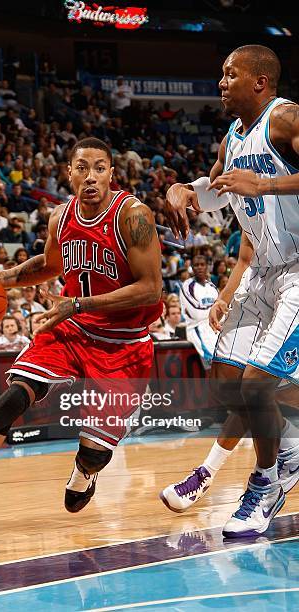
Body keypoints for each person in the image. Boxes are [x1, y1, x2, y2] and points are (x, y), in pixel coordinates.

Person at [0, 136, 162, 536]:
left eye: (99, 168)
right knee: (17, 393)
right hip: (71, 328)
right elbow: (51, 264)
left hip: (125, 344)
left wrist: (76, 304)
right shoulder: (62, 216)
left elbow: (151, 288)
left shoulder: (133, 215)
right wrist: (1, 280)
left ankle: (83, 472)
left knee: (94, 455)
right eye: (81, 167)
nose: (90, 176)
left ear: (111, 172)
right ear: (68, 172)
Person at [160, 45, 299, 538]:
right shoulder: (233, 137)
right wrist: (182, 192)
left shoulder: (285, 120)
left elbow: (259, 185)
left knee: (258, 385)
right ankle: (287, 447)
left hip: (297, 271)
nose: (221, 82)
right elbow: (216, 191)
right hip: (260, 270)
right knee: (225, 381)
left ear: (259, 81)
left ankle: (266, 485)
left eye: (229, 74)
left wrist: (268, 185)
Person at [179, 255, 218, 369]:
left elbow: (221, 312)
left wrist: (213, 313)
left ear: (207, 267)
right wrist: (213, 311)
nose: (200, 267)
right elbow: (196, 314)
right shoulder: (187, 286)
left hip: (214, 329)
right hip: (198, 329)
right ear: (192, 267)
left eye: (202, 265)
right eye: (196, 265)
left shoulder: (212, 287)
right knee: (213, 365)